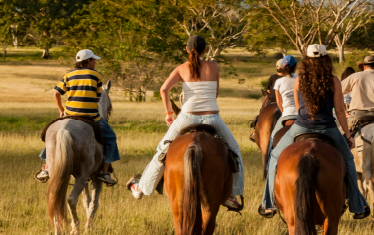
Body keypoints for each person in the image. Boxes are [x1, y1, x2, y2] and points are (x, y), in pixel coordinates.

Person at [126, 35, 244, 212]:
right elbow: (216, 93)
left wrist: (168, 113)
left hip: (187, 117)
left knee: (162, 150)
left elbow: (163, 89)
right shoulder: (214, 66)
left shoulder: (181, 68)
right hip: (212, 117)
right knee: (234, 150)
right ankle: (230, 195)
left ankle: (141, 188)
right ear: (205, 50)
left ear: (188, 50)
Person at [258, 44, 369, 220]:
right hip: (328, 128)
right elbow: (340, 110)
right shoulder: (333, 80)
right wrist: (348, 136)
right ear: (326, 60)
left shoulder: (299, 80)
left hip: (301, 127)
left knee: (273, 158)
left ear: (307, 61)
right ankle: (357, 204)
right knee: (348, 160)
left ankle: (268, 203)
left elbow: (297, 106)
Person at [35, 49, 120, 186]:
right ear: (88, 61)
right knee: (111, 137)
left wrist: (61, 110)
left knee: (53, 136)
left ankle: (46, 167)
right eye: (94, 60)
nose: (95, 63)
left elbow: (56, 93)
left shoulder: (68, 75)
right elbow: (97, 98)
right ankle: (105, 172)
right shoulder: (96, 76)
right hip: (91, 116)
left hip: (70, 115)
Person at [269, 55, 299, 139]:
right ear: (295, 65)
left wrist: (284, 113)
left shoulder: (278, 82)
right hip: (303, 115)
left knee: (273, 138)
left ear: (282, 67)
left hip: (287, 114)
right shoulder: (302, 77)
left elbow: (279, 102)